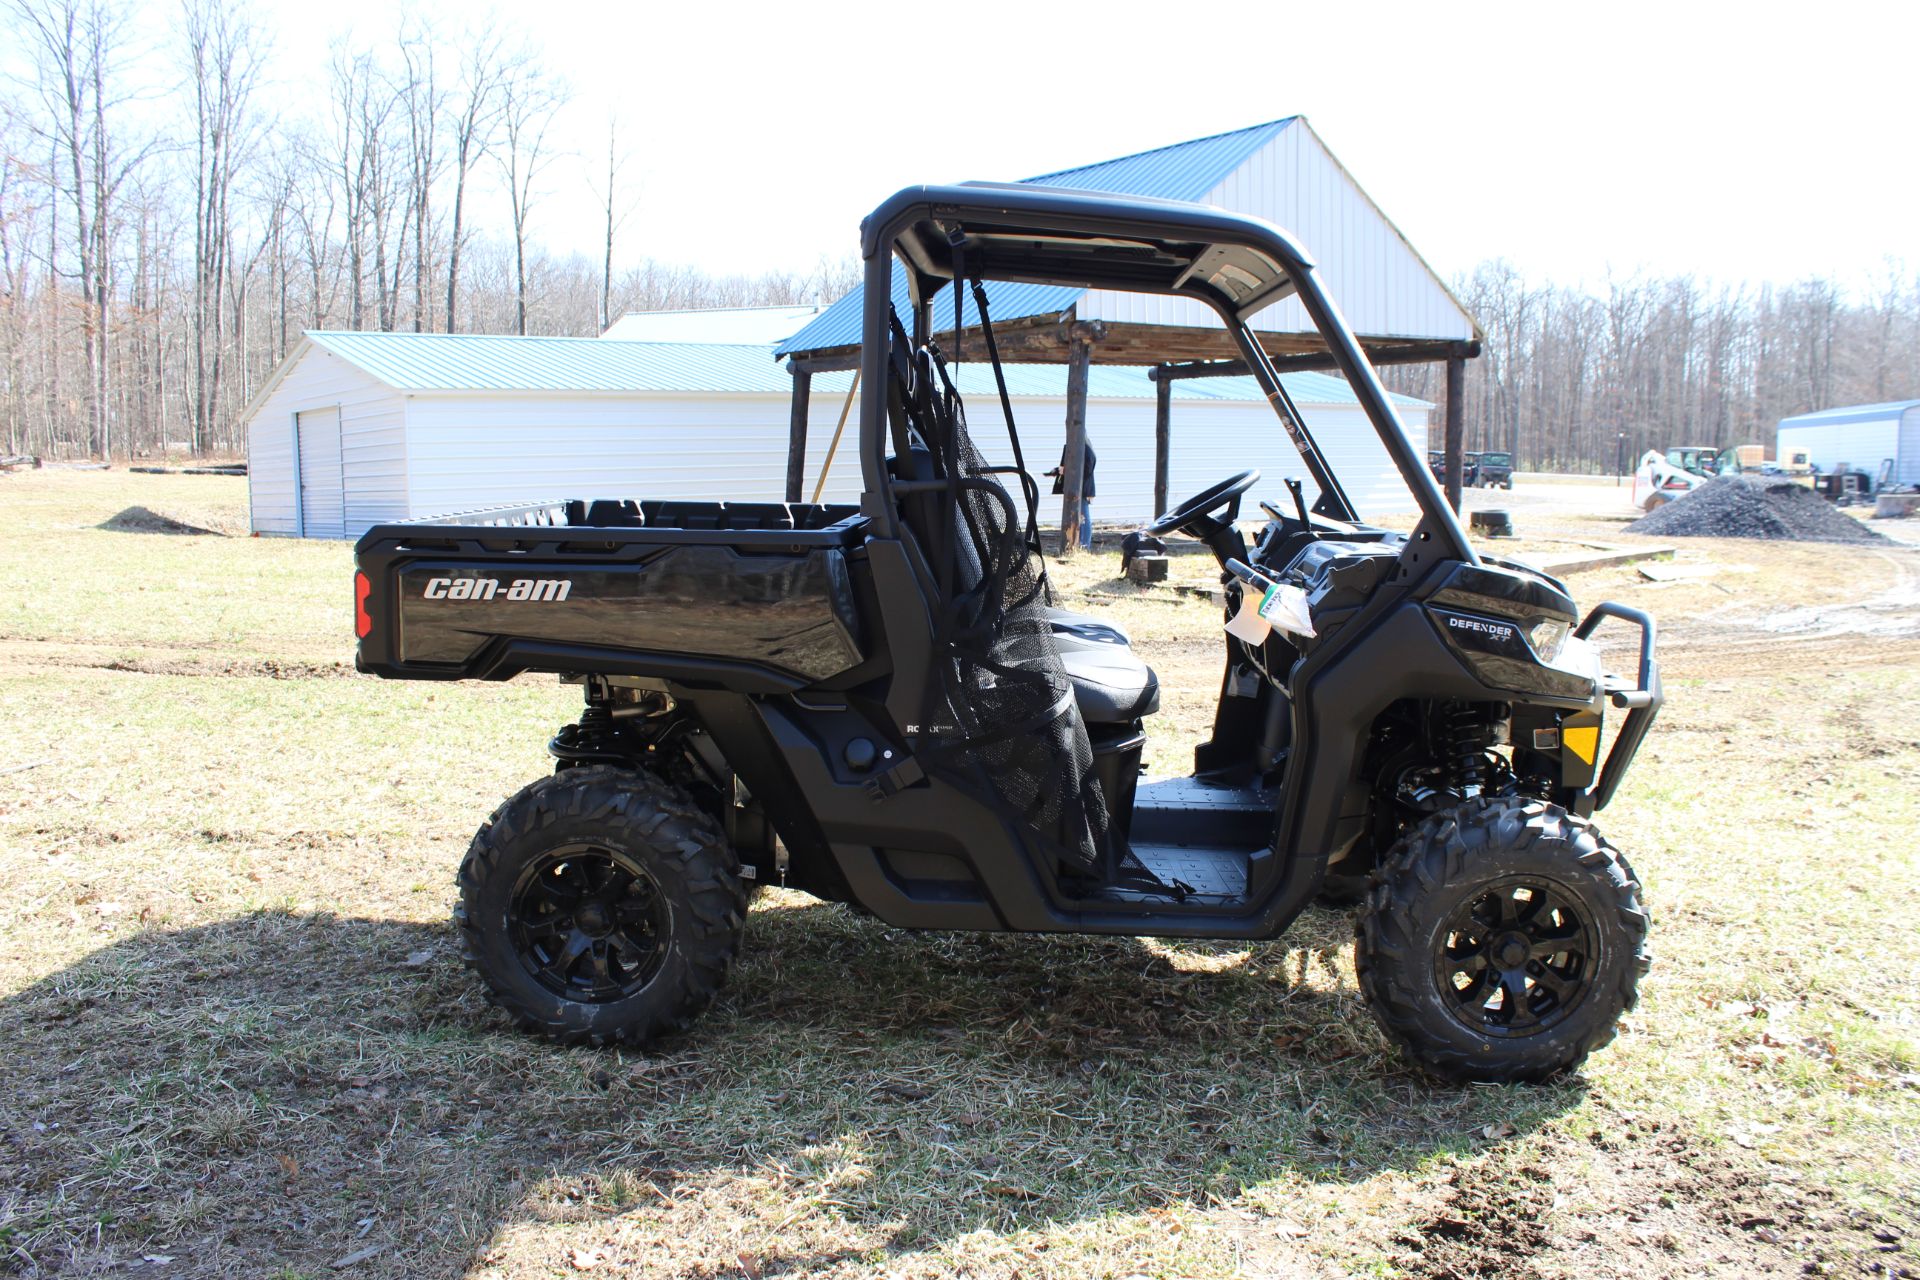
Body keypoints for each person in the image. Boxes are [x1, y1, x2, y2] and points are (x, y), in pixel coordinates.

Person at [1046, 438, 1097, 549]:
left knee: (1083, 516)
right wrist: (1059, 470)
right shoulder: (1076, 446)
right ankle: (1076, 543)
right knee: (1077, 516)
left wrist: (1065, 470)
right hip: (1075, 487)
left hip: (1082, 488)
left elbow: (1087, 467)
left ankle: (1084, 545)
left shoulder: (1084, 447)